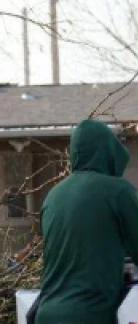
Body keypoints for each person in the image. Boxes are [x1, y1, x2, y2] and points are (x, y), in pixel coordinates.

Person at [34, 118, 138, 324]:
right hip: (90, 315)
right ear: (109, 153)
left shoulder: (53, 196)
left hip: (45, 314)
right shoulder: (117, 191)